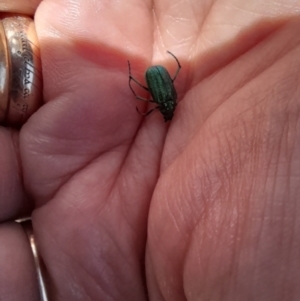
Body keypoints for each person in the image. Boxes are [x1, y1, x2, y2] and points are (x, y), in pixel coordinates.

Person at [1, 0, 300, 300]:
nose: (167, 114)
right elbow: (163, 85)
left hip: (157, 78)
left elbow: (165, 82)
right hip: (157, 78)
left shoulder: (164, 103)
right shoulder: (166, 102)